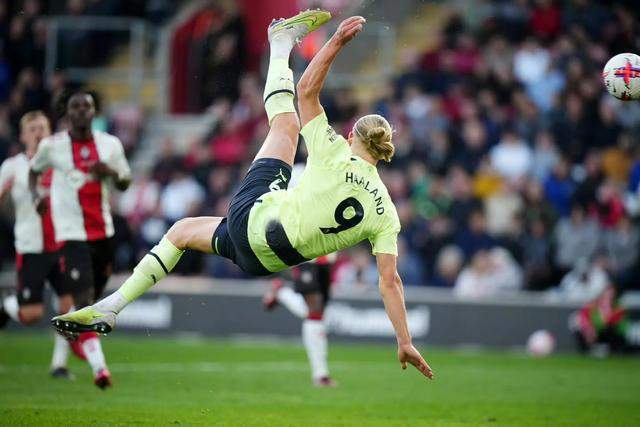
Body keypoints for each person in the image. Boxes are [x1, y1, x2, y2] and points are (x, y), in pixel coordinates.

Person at [53, 11, 433, 380]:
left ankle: (280, 43)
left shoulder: (335, 152)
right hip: (261, 262)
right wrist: (404, 341)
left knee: (286, 124)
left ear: (352, 136)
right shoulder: (386, 211)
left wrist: (335, 42)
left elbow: (306, 91)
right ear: (384, 152)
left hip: (253, 221)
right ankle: (111, 307)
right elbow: (390, 282)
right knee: (182, 232)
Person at [31, 91, 132, 388]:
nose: (81, 111)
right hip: (71, 235)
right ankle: (100, 369)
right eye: (75, 107)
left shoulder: (110, 144)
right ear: (67, 112)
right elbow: (33, 172)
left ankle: (71, 336)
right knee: (85, 303)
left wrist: (110, 172)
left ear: (94, 112)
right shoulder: (52, 146)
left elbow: (125, 182)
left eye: (86, 107)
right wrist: (38, 195)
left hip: (104, 235)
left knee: (87, 304)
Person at [0, 111, 77, 380]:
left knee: (68, 306)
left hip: (61, 244)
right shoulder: (13, 166)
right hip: (31, 246)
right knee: (32, 314)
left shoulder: (60, 163)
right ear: (23, 136)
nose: (37, 132)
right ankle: (8, 306)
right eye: (32, 128)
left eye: (42, 127)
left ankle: (59, 365)